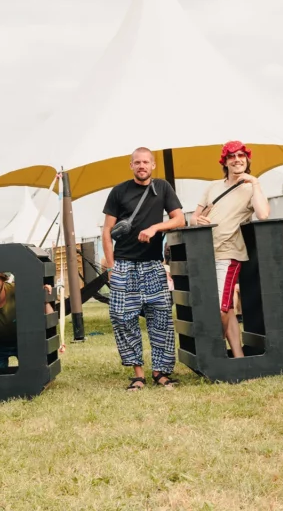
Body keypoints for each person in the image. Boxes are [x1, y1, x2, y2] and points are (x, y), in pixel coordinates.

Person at [102, 147, 186, 390]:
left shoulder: (163, 187)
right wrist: (111, 267)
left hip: (152, 265)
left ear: (153, 165)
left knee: (161, 318)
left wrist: (155, 228)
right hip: (123, 264)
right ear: (131, 165)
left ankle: (160, 372)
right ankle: (138, 374)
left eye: (146, 162)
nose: (141, 166)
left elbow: (179, 219)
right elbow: (107, 231)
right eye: (137, 162)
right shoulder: (119, 191)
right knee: (122, 318)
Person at [192, 141, 270, 358]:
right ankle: (238, 357)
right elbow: (194, 217)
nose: (237, 160)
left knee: (221, 308)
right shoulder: (212, 187)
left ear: (247, 159)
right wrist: (197, 220)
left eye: (241, 155)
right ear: (224, 162)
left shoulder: (251, 189)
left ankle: (213, 354)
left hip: (228, 254)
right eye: (232, 156)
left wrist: (255, 183)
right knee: (227, 308)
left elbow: (263, 214)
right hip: (205, 253)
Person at [0, 273, 53, 372]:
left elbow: (50, 317)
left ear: (3, 279)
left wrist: (44, 297)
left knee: (34, 372)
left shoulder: (19, 290)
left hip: (25, 340)